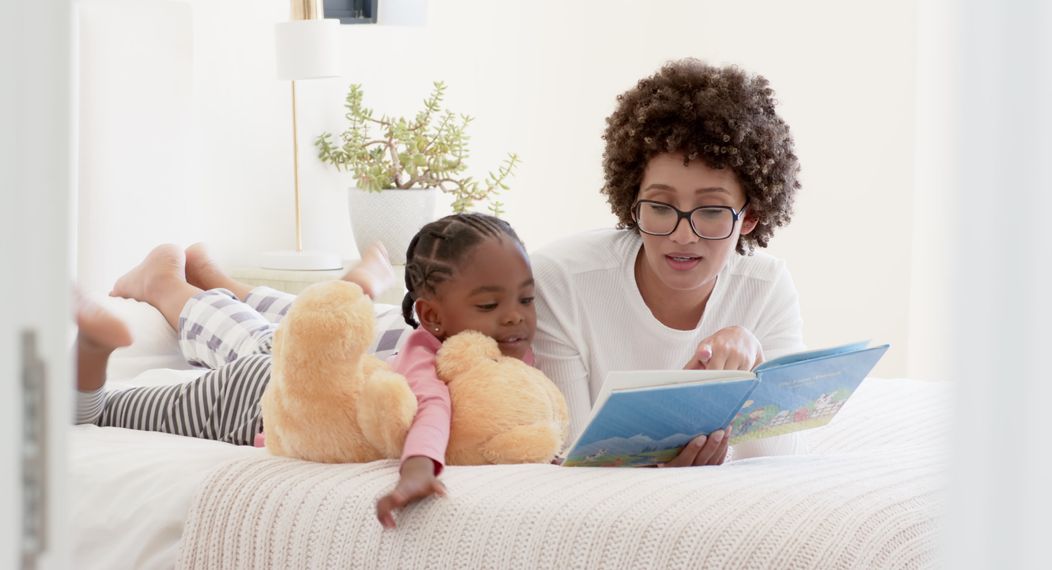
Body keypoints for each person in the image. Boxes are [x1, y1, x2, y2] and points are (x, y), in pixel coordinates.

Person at [76, 212, 537, 529]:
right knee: (101, 412)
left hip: (318, 373)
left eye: (527, 299)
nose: (517, 316)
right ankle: (155, 293)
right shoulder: (426, 351)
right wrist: (418, 468)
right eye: (491, 304)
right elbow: (430, 409)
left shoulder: (502, 352)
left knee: (298, 335)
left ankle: (227, 285)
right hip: (257, 398)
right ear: (432, 315)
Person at [531, 59, 805, 467]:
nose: (682, 235)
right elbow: (567, 457)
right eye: (660, 206)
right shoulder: (560, 281)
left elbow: (775, 459)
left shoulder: (765, 286)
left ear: (749, 217)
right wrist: (661, 465)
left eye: (711, 210)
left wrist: (758, 368)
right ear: (631, 200)